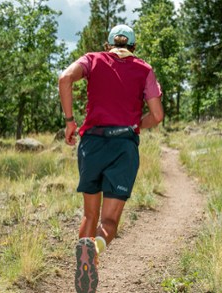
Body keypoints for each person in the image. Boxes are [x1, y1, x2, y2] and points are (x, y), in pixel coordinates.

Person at [58, 24, 164, 293]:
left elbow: (64, 78)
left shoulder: (92, 60)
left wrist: (70, 122)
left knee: (89, 214)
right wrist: (136, 124)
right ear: (134, 47)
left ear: (108, 46)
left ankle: (85, 271)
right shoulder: (144, 69)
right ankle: (93, 250)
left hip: (91, 144)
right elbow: (158, 115)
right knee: (109, 223)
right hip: (123, 148)